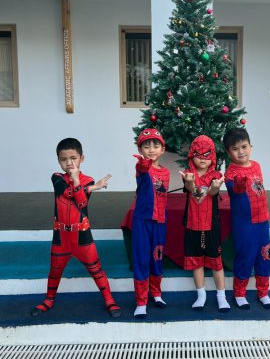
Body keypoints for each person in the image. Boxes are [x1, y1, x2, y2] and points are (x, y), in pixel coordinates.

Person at [31, 138, 121, 318]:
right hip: (61, 236)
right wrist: (93, 187)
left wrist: (80, 182)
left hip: (82, 236)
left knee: (96, 270)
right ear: (58, 161)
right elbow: (65, 193)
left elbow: (81, 202)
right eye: (63, 159)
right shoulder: (57, 177)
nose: (69, 163)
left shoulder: (88, 180)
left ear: (82, 158)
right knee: (55, 271)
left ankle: (109, 299)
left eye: (73, 158)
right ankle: (49, 300)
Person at [223, 128, 270, 310]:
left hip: (263, 221)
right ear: (228, 152)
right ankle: (239, 293)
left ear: (251, 146)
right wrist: (239, 184)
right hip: (245, 225)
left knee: (265, 256)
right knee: (245, 257)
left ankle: (263, 292)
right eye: (235, 149)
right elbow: (235, 191)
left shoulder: (257, 165)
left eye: (244, 147)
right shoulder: (230, 174)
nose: (241, 152)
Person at [179, 135, 230, 312]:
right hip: (192, 225)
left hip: (211, 225)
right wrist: (190, 182)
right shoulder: (188, 174)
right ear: (191, 155)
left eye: (207, 154)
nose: (202, 158)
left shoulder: (216, 175)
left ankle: (221, 296)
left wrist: (215, 187)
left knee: (216, 263)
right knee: (196, 263)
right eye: (198, 154)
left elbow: (212, 193)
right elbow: (194, 193)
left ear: (213, 156)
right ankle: (201, 295)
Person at [132, 128, 169, 319]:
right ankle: (141, 301)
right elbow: (142, 170)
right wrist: (143, 164)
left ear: (163, 149)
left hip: (160, 222)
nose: (151, 149)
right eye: (146, 146)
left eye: (156, 145)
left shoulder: (166, 172)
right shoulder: (142, 167)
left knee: (157, 258)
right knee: (141, 259)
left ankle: (156, 293)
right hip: (142, 222)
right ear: (140, 150)